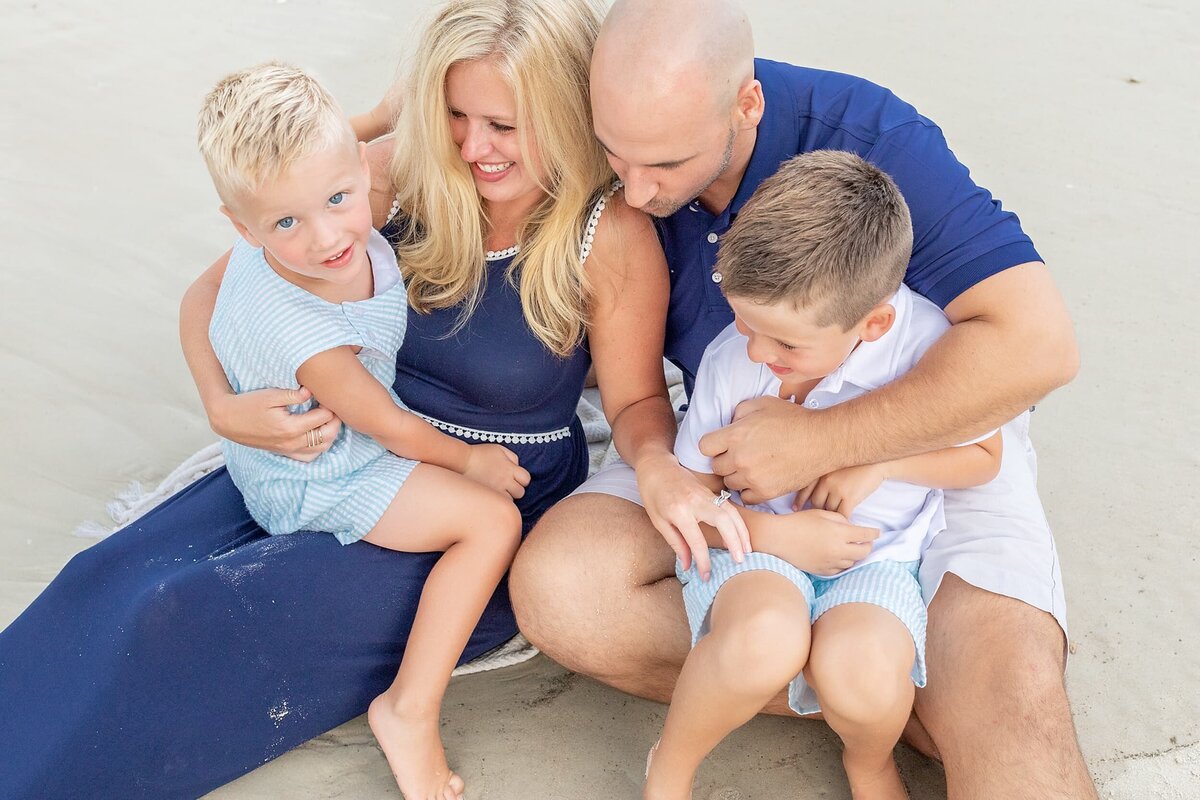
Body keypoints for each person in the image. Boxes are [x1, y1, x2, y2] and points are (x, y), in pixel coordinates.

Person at [0, 1, 674, 797]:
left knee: (185, 619)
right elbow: (208, 294)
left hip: (489, 489)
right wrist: (221, 408)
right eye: (454, 114)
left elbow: (632, 404)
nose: (473, 146)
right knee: (115, 576)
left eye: (504, 124)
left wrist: (661, 467)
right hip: (338, 444)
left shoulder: (612, 237)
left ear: (562, 113)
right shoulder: (390, 177)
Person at [510, 1, 1097, 797]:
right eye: (614, 153)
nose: (634, 191)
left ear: (745, 104)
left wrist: (829, 443)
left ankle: (893, 685)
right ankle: (870, 690)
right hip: (732, 436)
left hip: (923, 445)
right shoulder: (625, 155)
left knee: (1014, 717)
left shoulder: (870, 142)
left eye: (666, 163)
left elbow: (1038, 345)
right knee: (563, 590)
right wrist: (658, 465)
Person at [198, 61, 536, 800]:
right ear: (243, 228)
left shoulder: (302, 197)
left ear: (359, 164)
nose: (325, 237)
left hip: (325, 424)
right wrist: (469, 461)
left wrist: (383, 115)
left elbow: (314, 166)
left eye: (339, 199)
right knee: (490, 524)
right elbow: (387, 427)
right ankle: (409, 708)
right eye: (287, 223)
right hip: (321, 467)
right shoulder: (304, 327)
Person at [644, 151, 1003, 800]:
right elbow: (694, 501)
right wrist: (779, 538)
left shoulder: (925, 345)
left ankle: (868, 761)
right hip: (761, 547)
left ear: (874, 323)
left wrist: (880, 461)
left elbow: (984, 456)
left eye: (785, 344)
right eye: (745, 323)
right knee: (762, 640)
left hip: (880, 559)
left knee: (863, 676)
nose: (756, 351)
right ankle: (670, 766)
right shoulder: (736, 360)